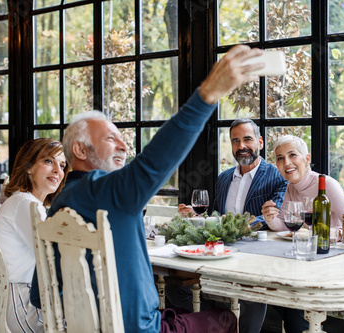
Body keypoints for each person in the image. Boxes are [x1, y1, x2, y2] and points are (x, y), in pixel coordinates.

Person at [29, 44, 267, 333]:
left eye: (122, 139)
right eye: (110, 139)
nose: (123, 146)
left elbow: (39, 296)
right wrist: (207, 95)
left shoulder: (59, 205)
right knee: (225, 318)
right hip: (142, 329)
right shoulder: (108, 192)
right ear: (79, 149)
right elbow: (153, 163)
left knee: (178, 308)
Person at [168, 118, 288, 333]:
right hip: (219, 252)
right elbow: (216, 216)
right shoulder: (223, 178)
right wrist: (195, 218)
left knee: (254, 295)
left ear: (260, 142)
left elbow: (273, 216)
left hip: (254, 255)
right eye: (235, 141)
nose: (241, 146)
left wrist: (241, 227)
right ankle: (223, 323)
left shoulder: (276, 176)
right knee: (176, 288)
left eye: (247, 139)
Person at [261, 134, 344, 333]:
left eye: (292, 155)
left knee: (292, 299)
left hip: (330, 263)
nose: (286, 162)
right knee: (272, 290)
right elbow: (288, 225)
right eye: (280, 158)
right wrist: (270, 218)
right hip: (305, 262)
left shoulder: (327, 185)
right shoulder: (290, 187)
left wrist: (326, 234)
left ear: (307, 158)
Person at [0, 138, 68, 332]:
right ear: (28, 167)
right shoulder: (27, 205)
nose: (58, 171)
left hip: (5, 302)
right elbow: (58, 256)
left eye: (63, 164)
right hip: (19, 305)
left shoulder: (21, 201)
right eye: (49, 161)